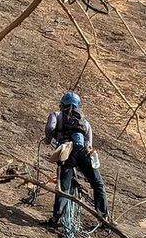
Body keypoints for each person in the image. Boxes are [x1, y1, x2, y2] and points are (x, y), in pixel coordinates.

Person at [43, 90, 109, 227]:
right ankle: (104, 217)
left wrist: (48, 140)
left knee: (64, 186)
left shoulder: (56, 115)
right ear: (78, 105)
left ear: (62, 104)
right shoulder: (85, 122)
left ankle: (56, 218)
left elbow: (50, 128)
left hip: (67, 153)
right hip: (84, 152)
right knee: (98, 184)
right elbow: (89, 144)